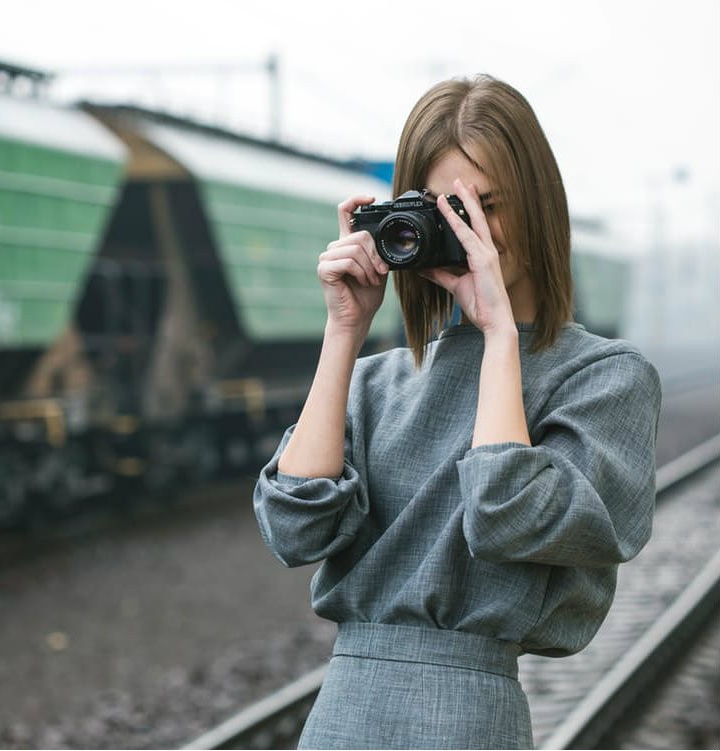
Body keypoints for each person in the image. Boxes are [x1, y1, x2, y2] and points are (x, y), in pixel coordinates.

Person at [253, 74, 661, 750]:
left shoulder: (603, 378)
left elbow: (506, 513)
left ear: (539, 205)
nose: (478, 234)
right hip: (340, 714)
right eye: (451, 211)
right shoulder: (378, 380)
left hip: (469, 714)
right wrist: (344, 330)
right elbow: (292, 529)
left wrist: (499, 332)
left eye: (490, 205)